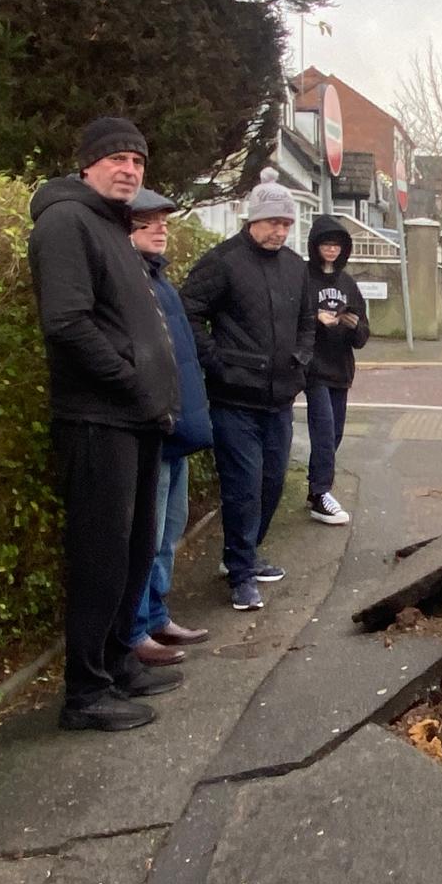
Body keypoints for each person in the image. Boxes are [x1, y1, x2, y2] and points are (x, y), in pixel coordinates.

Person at [27, 117, 181, 732]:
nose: (130, 170)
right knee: (99, 557)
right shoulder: (65, 222)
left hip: (136, 419)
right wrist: (130, 379)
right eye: (117, 158)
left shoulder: (112, 225)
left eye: (138, 161)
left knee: (135, 550)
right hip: (97, 421)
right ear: (87, 165)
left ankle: (119, 661)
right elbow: (66, 323)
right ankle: (85, 693)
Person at [181, 168, 315, 612]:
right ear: (252, 219)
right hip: (234, 399)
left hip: (279, 399)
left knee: (274, 482)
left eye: (286, 223)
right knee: (243, 485)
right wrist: (215, 361)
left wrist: (301, 360)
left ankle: (245, 553)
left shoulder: (297, 268)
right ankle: (239, 574)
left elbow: (307, 323)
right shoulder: (223, 262)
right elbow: (189, 309)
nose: (280, 231)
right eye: (273, 222)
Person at [125, 188, 213, 665]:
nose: (160, 229)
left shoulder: (160, 281)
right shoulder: (130, 284)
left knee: (169, 531)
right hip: (155, 431)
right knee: (148, 534)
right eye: (147, 222)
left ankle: (157, 616)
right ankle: (137, 630)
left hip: (177, 429)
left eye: (163, 221)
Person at [304, 215, 369, 526]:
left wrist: (353, 325)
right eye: (326, 244)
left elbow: (363, 333)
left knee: (336, 432)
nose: (331, 250)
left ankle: (315, 487)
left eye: (336, 245)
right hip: (314, 369)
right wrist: (316, 320)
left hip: (341, 369)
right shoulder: (304, 279)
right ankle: (320, 493)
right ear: (315, 247)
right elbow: (292, 318)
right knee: (324, 432)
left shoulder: (348, 283)